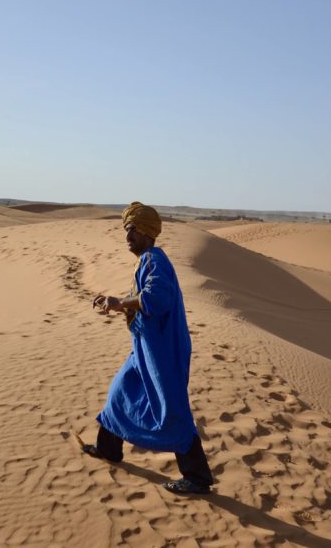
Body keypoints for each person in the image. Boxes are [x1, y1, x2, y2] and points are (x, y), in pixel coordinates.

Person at [86, 202, 214, 495]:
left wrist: (121, 302)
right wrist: (115, 302)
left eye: (131, 231)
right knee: (119, 392)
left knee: (172, 409)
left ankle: (198, 478)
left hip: (162, 353)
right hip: (144, 348)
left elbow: (157, 299)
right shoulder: (147, 261)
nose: (127, 237)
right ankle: (109, 449)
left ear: (146, 232)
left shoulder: (155, 260)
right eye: (126, 231)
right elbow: (141, 302)